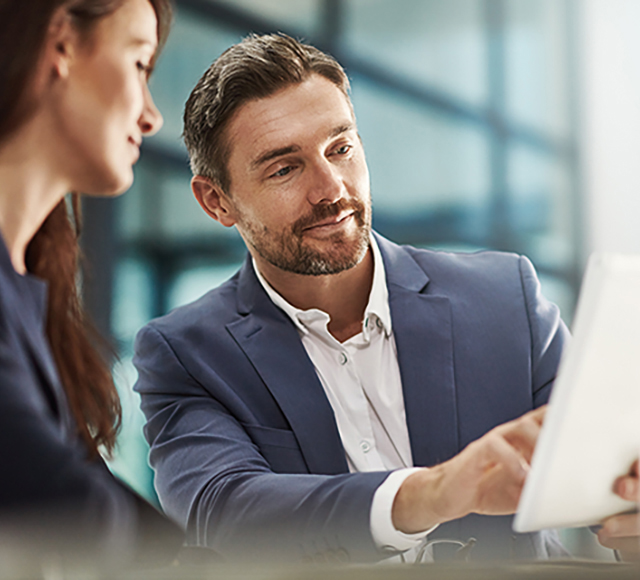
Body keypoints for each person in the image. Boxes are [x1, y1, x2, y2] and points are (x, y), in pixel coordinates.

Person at [133, 33, 639, 563]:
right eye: (285, 168)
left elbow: (608, 466)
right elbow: (225, 510)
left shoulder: (504, 297)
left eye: (341, 148)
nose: (331, 189)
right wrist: (432, 492)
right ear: (217, 201)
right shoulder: (186, 354)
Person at [0, 0, 182, 570]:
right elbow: (66, 504)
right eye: (138, 64)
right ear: (61, 44)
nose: (152, 116)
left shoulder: (27, 299)